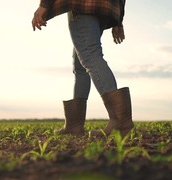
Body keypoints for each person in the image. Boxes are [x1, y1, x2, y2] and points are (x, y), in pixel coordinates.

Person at [32, 0, 133, 137]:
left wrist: (44, 5)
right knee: (81, 65)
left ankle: (120, 121)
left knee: (90, 55)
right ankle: (75, 125)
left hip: (83, 4)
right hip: (106, 8)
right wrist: (118, 21)